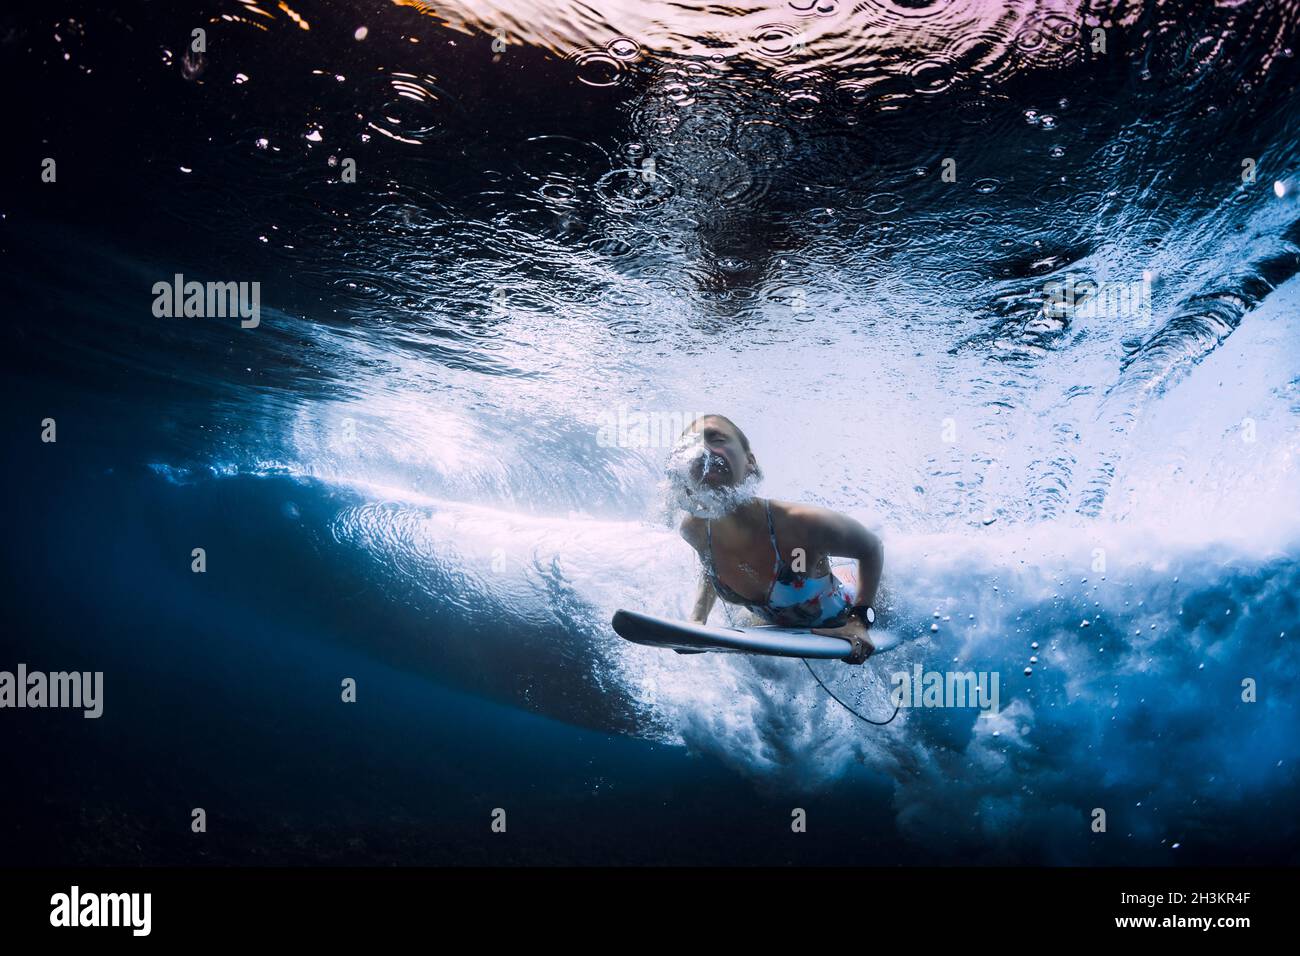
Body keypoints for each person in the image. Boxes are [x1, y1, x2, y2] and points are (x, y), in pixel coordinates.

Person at [673, 414, 884, 664]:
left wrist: (859, 621)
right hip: (775, 619)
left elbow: (871, 547)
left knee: (807, 563)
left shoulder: (800, 524)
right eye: (693, 446)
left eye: (716, 438)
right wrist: (697, 619)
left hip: (845, 610)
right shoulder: (694, 530)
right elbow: (711, 566)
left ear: (750, 461)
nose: (704, 451)